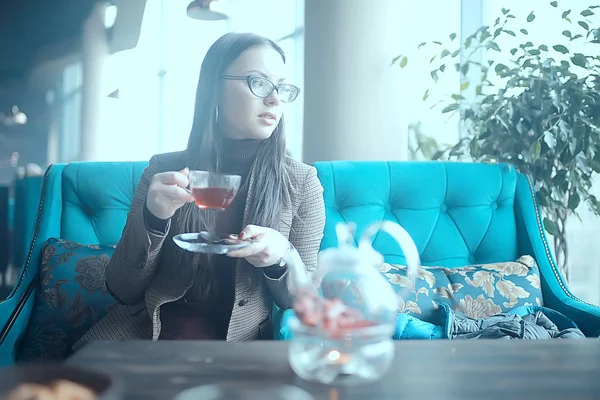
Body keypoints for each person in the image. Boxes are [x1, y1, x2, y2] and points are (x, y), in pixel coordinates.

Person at [74, 32, 325, 347]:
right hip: (146, 338)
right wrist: (154, 218)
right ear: (214, 88)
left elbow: (304, 301)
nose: (274, 99)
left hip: (239, 350)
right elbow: (122, 288)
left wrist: (280, 257)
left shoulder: (301, 182)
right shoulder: (164, 171)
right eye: (259, 83)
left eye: (282, 88)